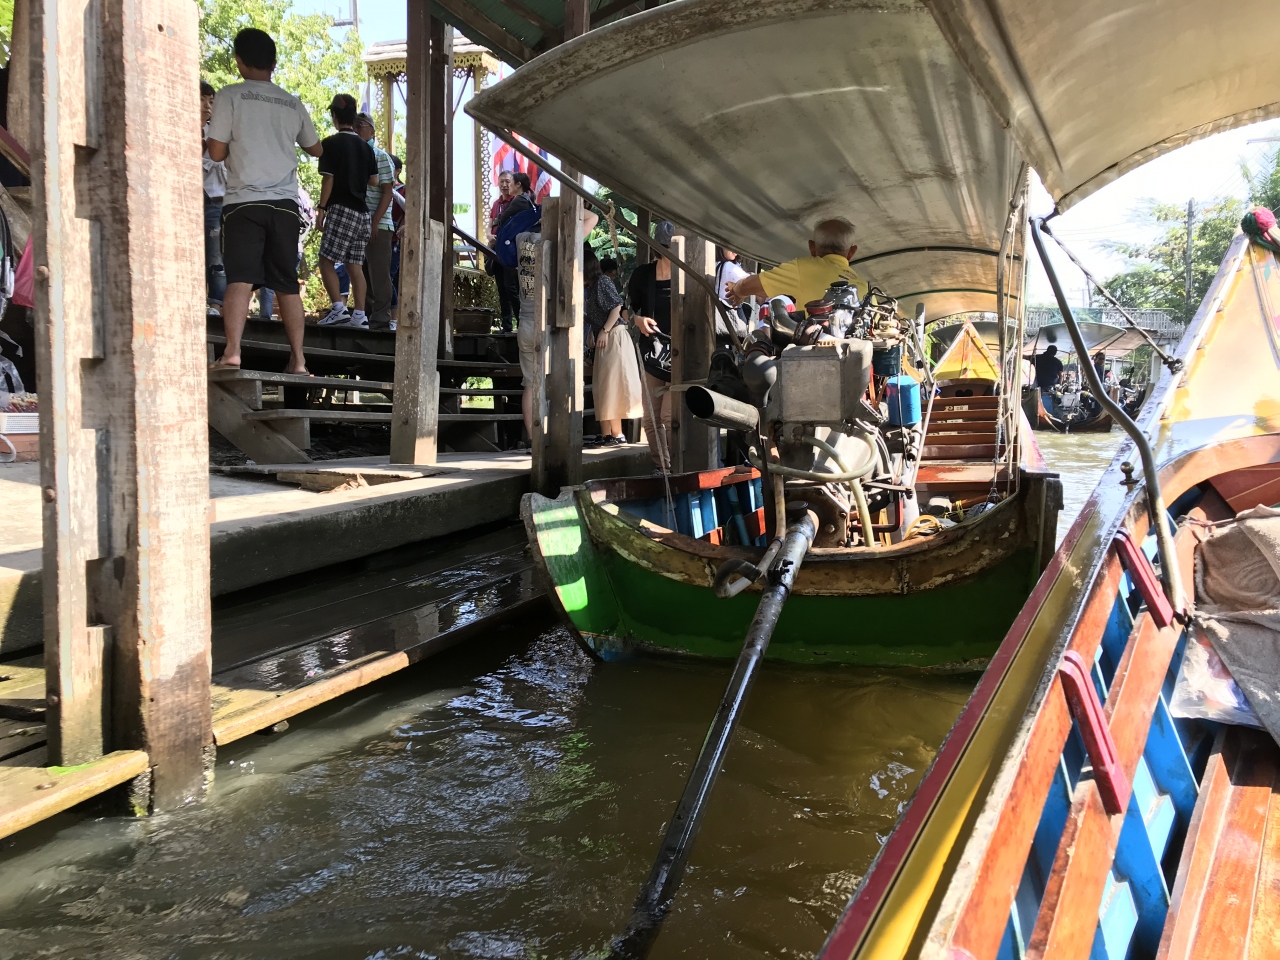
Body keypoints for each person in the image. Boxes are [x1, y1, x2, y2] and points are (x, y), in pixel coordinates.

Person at [205, 28, 322, 374]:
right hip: (284, 204)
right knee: (286, 284)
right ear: (274, 63)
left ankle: (232, 353)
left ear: (238, 62)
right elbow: (315, 148)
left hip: (243, 203)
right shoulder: (291, 102)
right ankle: (298, 360)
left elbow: (215, 152)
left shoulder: (229, 96)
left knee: (240, 279)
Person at [514, 208, 599, 438]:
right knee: (558, 381)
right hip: (549, 322)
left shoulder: (521, 239)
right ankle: (555, 437)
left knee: (530, 384)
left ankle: (533, 438)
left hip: (525, 320)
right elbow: (593, 218)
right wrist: (565, 206)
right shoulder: (557, 244)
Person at [316, 93, 379, 329]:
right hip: (363, 214)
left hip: (341, 209)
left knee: (326, 261)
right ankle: (359, 315)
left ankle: (338, 309)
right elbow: (374, 180)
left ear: (334, 116)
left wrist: (321, 208)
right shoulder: (366, 148)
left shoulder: (330, 143)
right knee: (355, 266)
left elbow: (328, 179)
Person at [725, 217, 860, 308]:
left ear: (812, 248)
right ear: (852, 252)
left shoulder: (803, 269)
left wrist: (737, 291)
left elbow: (750, 285)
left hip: (814, 343)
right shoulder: (864, 286)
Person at [628, 220, 676, 472]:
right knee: (651, 417)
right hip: (653, 352)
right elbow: (626, 309)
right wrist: (637, 320)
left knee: (670, 416)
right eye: (667, 247)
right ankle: (663, 469)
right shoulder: (643, 275)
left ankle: (678, 467)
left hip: (682, 353)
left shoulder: (689, 275)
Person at [587, 252, 642, 444]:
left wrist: (604, 331)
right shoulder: (592, 286)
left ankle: (617, 434)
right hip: (604, 335)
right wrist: (593, 331)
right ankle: (607, 433)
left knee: (612, 384)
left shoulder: (602, 281)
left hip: (613, 334)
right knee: (603, 384)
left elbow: (617, 307)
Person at [353, 112, 396, 330]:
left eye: (361, 125)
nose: (357, 129)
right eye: (355, 125)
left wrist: (375, 220)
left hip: (379, 223)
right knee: (360, 271)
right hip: (356, 221)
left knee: (379, 273)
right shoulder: (351, 156)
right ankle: (365, 313)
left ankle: (381, 317)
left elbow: (388, 192)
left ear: (372, 131)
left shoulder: (381, 157)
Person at [200, 80, 227, 314]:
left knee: (215, 254)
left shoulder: (216, 133)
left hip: (215, 201)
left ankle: (215, 304)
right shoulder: (180, 129)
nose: (207, 106)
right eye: (202, 100)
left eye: (211, 101)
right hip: (190, 202)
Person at [496, 172, 536, 329]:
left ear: (518, 184)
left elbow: (502, 219)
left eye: (510, 182)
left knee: (511, 287)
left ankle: (520, 323)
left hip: (516, 247)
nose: (508, 185)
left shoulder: (520, 200)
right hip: (523, 247)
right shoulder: (526, 199)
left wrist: (496, 223)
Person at [489, 171, 517, 331]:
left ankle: (520, 322)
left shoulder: (516, 202)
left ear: (513, 183)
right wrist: (489, 235)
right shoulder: (496, 204)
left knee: (510, 287)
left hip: (509, 250)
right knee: (501, 287)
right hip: (496, 249)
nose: (504, 185)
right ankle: (506, 325)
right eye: (502, 182)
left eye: (507, 181)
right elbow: (490, 224)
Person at [1033, 345, 1064, 416]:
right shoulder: (1057, 361)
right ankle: (1050, 414)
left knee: (1040, 399)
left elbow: (1028, 359)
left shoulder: (1037, 358)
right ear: (1055, 352)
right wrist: (1060, 385)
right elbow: (1061, 375)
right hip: (1051, 385)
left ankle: (1040, 413)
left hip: (1039, 384)